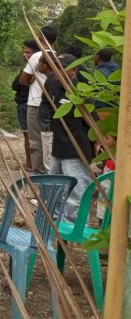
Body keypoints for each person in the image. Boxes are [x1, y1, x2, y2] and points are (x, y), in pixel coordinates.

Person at [44, 54, 93, 222]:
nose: (56, 70)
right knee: (53, 187)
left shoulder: (81, 90)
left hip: (75, 148)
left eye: (61, 67)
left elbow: (92, 121)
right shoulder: (58, 87)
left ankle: (75, 227)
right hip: (59, 147)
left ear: (74, 69)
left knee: (76, 190)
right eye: (55, 66)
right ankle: (55, 224)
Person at [19, 25, 58, 174]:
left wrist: (32, 80)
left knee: (35, 141)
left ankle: (38, 172)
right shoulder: (57, 56)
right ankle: (48, 170)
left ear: (41, 38)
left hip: (35, 102)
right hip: (50, 103)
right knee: (47, 139)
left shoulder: (38, 56)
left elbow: (22, 80)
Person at [12, 40, 39, 171]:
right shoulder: (31, 68)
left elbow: (17, 84)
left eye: (27, 52)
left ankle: (30, 163)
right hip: (27, 103)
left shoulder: (32, 68)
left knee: (28, 135)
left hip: (26, 103)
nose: (24, 54)